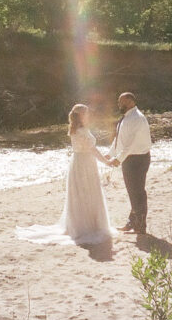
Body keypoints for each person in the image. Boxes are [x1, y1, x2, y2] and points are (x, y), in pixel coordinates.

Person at [16, 103, 113, 245]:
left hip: (80, 161)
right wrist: (106, 161)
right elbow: (92, 149)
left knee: (84, 193)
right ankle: (87, 227)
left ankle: (88, 224)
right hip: (84, 163)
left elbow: (90, 148)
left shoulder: (77, 129)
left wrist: (104, 158)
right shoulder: (81, 131)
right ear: (81, 115)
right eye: (86, 113)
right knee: (86, 192)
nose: (88, 115)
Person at [107, 92, 151, 235]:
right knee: (133, 192)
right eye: (119, 102)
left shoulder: (137, 118)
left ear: (131, 102)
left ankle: (140, 226)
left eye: (122, 102)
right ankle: (133, 222)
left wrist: (118, 158)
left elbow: (131, 144)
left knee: (137, 192)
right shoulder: (127, 117)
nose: (119, 105)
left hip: (137, 159)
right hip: (130, 159)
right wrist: (110, 153)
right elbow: (119, 139)